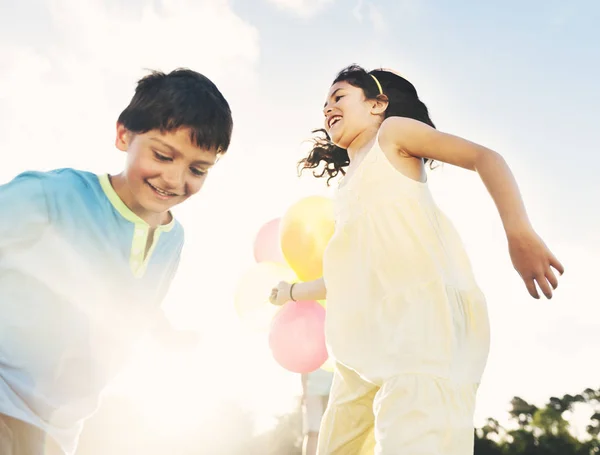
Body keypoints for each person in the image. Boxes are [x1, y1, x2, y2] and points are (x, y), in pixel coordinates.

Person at [270, 65, 564, 454]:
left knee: (416, 439)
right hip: (361, 342)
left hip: (421, 327)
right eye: (324, 105)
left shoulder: (392, 136)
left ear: (378, 104)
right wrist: (291, 292)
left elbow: (485, 157)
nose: (327, 109)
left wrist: (519, 232)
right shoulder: (345, 192)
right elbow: (347, 276)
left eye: (338, 97)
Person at [0, 68, 233, 455]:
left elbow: (134, 300)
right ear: (124, 134)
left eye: (197, 169)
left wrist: (167, 338)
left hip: (57, 429)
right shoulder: (51, 195)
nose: (175, 180)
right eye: (162, 155)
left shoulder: (173, 240)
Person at [301, 368, 334, 455]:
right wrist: (304, 392)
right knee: (313, 432)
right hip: (312, 391)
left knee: (331, 430)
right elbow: (303, 367)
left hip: (331, 390)